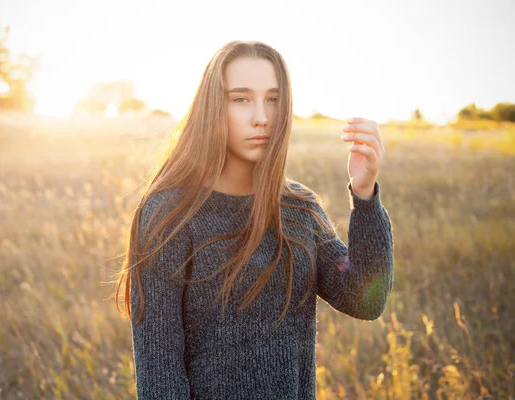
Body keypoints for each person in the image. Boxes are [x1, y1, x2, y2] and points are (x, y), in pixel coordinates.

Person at [113, 40, 393, 399]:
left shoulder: (299, 210)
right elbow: (160, 380)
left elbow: (364, 299)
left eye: (273, 99)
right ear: (214, 106)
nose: (261, 116)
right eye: (241, 98)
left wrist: (365, 194)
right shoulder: (169, 216)